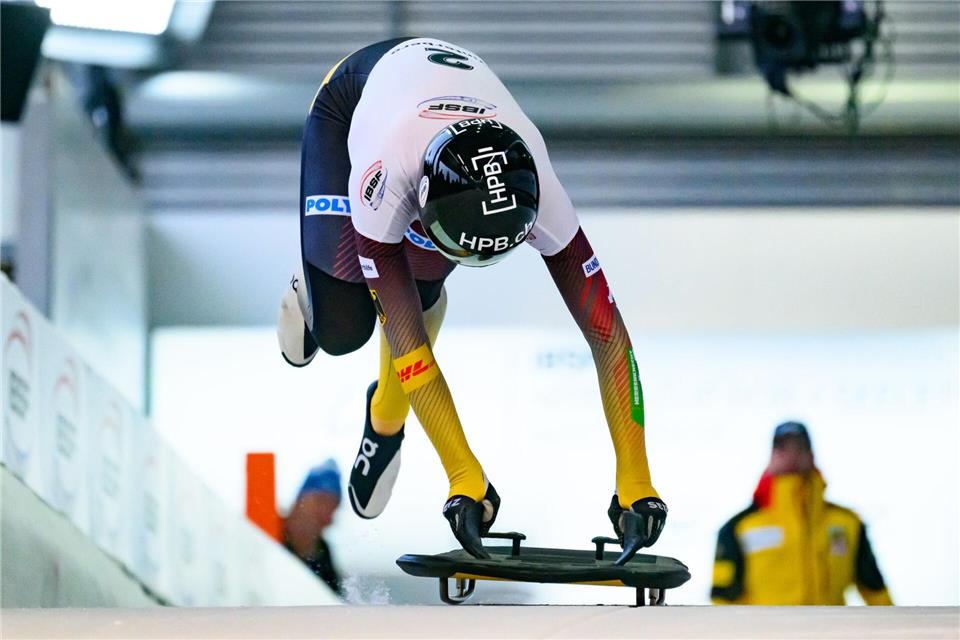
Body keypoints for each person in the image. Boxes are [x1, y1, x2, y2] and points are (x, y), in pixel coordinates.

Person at [276, 38, 665, 562]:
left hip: (432, 115)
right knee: (344, 330)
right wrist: (463, 474)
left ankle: (382, 416)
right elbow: (408, 344)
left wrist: (636, 480)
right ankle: (313, 285)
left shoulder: (540, 188)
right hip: (352, 103)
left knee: (421, 283)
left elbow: (609, 337)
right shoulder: (385, 177)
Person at [711, 421, 892, 605]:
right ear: (771, 456)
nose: (792, 455)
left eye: (800, 447)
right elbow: (721, 601)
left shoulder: (848, 523)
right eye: (782, 447)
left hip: (831, 632)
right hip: (767, 633)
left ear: (812, 454)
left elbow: (876, 591)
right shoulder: (737, 528)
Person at [283, 460, 344, 596]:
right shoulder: (265, 534)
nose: (326, 515)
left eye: (333, 508)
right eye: (321, 502)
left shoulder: (324, 556)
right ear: (300, 501)